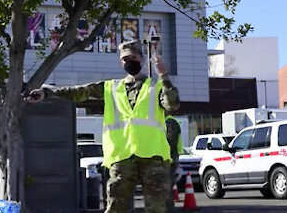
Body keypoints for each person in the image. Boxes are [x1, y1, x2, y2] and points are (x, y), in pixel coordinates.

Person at [27, 40, 180, 213]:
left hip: (153, 156)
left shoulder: (156, 86)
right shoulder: (110, 87)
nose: (129, 61)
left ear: (142, 59)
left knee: (157, 208)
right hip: (121, 157)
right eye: (125, 59)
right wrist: (46, 91)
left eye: (133, 57)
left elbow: (172, 105)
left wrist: (164, 76)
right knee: (115, 207)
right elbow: (79, 92)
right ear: (121, 62)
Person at [165, 115, 184, 213]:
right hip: (170, 157)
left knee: (166, 190)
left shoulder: (169, 122)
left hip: (168, 158)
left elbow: (170, 142)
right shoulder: (170, 121)